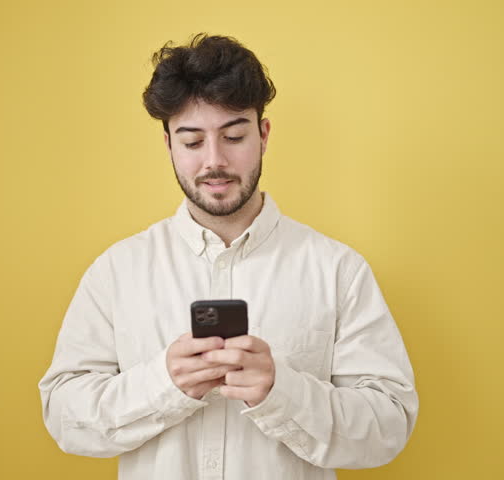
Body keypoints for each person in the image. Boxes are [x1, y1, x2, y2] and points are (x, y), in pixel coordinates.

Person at [38, 33, 419, 479]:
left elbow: (388, 425)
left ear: (263, 134)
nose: (214, 161)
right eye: (192, 142)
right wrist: (165, 383)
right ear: (168, 146)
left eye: (233, 135)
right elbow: (64, 417)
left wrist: (281, 392)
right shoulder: (117, 271)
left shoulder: (338, 270)